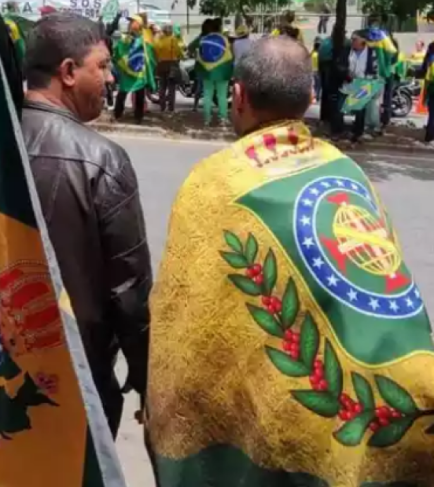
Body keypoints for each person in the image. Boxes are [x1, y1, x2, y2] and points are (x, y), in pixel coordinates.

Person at [145, 36, 434, 487]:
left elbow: (185, 324)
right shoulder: (346, 170)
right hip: (408, 403)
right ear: (311, 96)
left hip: (298, 436)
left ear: (237, 96)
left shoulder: (214, 183)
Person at [21, 12, 152, 435]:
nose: (112, 79)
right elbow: (129, 290)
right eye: (104, 66)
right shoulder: (102, 159)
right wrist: (146, 374)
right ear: (69, 72)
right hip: (78, 375)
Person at [114, 15, 156, 123]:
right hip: (128, 72)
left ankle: (138, 117)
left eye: (132, 21)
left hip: (138, 73)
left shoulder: (143, 39)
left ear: (138, 24)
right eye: (130, 22)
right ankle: (118, 114)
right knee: (123, 94)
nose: (130, 23)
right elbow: (119, 49)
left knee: (138, 96)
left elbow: (150, 52)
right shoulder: (127, 38)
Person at [196, 17, 234, 125]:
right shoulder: (224, 39)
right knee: (222, 95)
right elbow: (229, 55)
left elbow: (199, 55)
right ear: (220, 28)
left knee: (207, 94)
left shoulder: (203, 39)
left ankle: (207, 119)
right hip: (221, 71)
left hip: (207, 71)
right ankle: (222, 118)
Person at [348, 30, 381, 144]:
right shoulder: (350, 51)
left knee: (362, 110)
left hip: (366, 82)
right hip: (353, 82)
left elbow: (375, 69)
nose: (352, 42)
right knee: (357, 109)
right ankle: (357, 131)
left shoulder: (371, 53)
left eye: (355, 39)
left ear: (363, 41)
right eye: (352, 39)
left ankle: (361, 132)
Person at [153, 23, 184, 112]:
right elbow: (178, 51)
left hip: (161, 64)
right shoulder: (173, 39)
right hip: (172, 64)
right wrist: (181, 56)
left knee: (162, 86)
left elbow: (155, 51)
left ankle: (162, 106)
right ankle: (171, 108)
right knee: (171, 88)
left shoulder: (159, 40)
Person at [311, 36, 322, 103]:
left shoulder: (312, 53)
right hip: (318, 71)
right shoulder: (318, 54)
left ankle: (314, 96)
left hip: (313, 71)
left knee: (315, 85)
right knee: (318, 85)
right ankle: (317, 97)